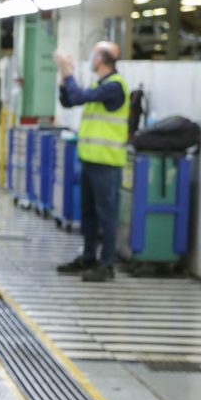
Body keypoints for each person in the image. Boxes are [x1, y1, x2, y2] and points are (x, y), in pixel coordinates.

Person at [54, 41, 130, 283]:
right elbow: (68, 100)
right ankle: (89, 257)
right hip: (90, 159)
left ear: (100, 59)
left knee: (106, 215)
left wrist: (68, 72)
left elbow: (76, 97)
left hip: (107, 163)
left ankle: (106, 265)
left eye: (93, 55)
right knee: (88, 213)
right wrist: (63, 77)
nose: (90, 59)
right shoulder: (101, 84)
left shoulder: (115, 87)